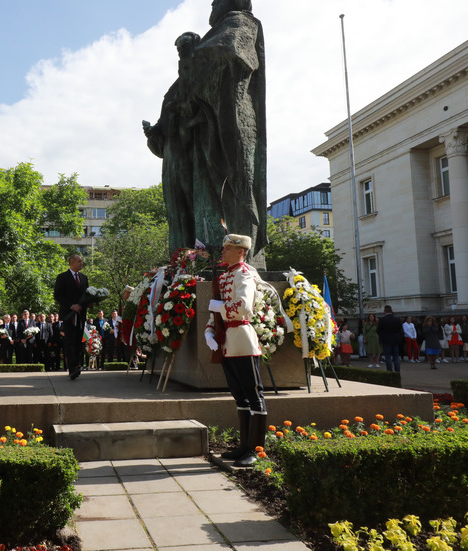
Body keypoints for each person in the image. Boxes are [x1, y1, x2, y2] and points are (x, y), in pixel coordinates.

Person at [143, 0, 267, 260]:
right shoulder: (176, 86)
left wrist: (194, 60)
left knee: (234, 188)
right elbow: (182, 106)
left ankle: (240, 255)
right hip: (202, 139)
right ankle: (203, 254)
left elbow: (230, 53)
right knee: (201, 202)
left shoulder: (240, 21)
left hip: (229, 125)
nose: (212, 4)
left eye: (215, 0)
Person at [203, 234, 268, 467]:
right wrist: (210, 331)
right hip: (227, 342)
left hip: (242, 340)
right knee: (239, 395)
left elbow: (244, 307)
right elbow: (217, 312)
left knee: (253, 394)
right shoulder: (226, 276)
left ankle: (256, 448)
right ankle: (243, 445)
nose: (223, 251)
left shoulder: (244, 274)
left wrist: (219, 307)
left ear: (241, 251)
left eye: (228, 248)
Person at [54, 252, 89, 380]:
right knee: (69, 341)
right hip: (69, 315)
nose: (81, 263)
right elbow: (58, 295)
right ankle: (72, 368)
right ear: (72, 262)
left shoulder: (84, 278)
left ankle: (79, 363)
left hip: (81, 315)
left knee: (79, 341)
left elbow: (87, 294)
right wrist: (71, 306)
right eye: (79, 261)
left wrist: (89, 303)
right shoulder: (62, 277)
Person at [377, 306, 403, 373]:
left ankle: (389, 371)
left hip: (386, 339)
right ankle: (397, 370)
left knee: (388, 356)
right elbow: (400, 329)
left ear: (385, 311)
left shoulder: (382, 319)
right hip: (395, 339)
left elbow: (378, 330)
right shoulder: (397, 319)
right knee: (396, 356)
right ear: (391, 310)